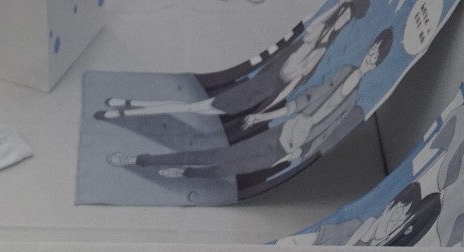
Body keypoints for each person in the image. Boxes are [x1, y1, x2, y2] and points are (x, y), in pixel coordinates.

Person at [106, 29, 393, 183]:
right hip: (277, 132)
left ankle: (188, 173)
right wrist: (263, 117)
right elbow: (301, 102)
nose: (369, 58)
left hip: (287, 150)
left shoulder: (355, 97)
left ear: (377, 63)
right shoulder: (342, 70)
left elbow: (328, 130)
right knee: (217, 154)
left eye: (374, 57)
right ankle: (141, 159)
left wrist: (298, 154)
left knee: (225, 170)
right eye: (371, 51)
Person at [95, 0, 368, 124]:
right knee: (194, 105)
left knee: (195, 107)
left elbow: (293, 82)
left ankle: (127, 108)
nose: (343, 18)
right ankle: (127, 108)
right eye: (344, 13)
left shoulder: (322, 46)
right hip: (256, 73)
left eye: (347, 16)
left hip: (261, 82)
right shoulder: (315, 32)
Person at [311, 181, 442, 245]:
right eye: (396, 213)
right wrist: (365, 236)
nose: (395, 221)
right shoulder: (356, 226)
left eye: (402, 219)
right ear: (389, 207)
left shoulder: (395, 241)